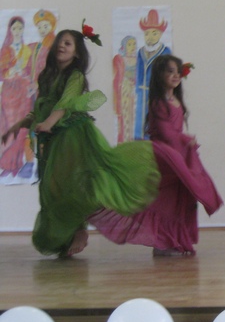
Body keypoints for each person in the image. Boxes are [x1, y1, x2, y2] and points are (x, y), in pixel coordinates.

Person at [1, 25, 161, 257]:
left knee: (75, 183)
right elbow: (41, 106)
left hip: (73, 136)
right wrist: (18, 126)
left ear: (77, 53)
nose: (62, 46)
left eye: (68, 43)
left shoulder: (75, 76)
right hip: (53, 138)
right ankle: (65, 238)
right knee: (52, 188)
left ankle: (79, 230)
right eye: (60, 42)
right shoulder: (46, 76)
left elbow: (64, 104)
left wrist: (49, 123)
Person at [91, 55, 223, 256]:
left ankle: (174, 241)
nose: (175, 75)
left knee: (179, 200)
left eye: (177, 71)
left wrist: (184, 144)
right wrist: (186, 140)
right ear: (160, 75)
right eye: (170, 71)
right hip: (164, 156)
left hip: (178, 154)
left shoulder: (176, 100)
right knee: (164, 202)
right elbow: (165, 133)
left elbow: (175, 132)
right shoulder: (158, 103)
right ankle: (162, 242)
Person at [0, 17, 32, 178]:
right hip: (9, 93)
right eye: (15, 29)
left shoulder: (27, 50)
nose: (17, 31)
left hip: (23, 92)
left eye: (20, 28)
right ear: (10, 31)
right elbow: (1, 73)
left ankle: (17, 164)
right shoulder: (5, 50)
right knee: (9, 127)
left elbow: (31, 71)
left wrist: (25, 76)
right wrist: (11, 72)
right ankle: (7, 164)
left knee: (22, 129)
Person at [134, 9, 171, 139]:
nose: (150, 37)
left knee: (155, 123)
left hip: (157, 94)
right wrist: (137, 89)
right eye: (147, 33)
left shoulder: (165, 52)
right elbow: (137, 73)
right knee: (139, 124)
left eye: (154, 33)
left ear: (160, 34)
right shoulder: (140, 52)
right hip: (141, 95)